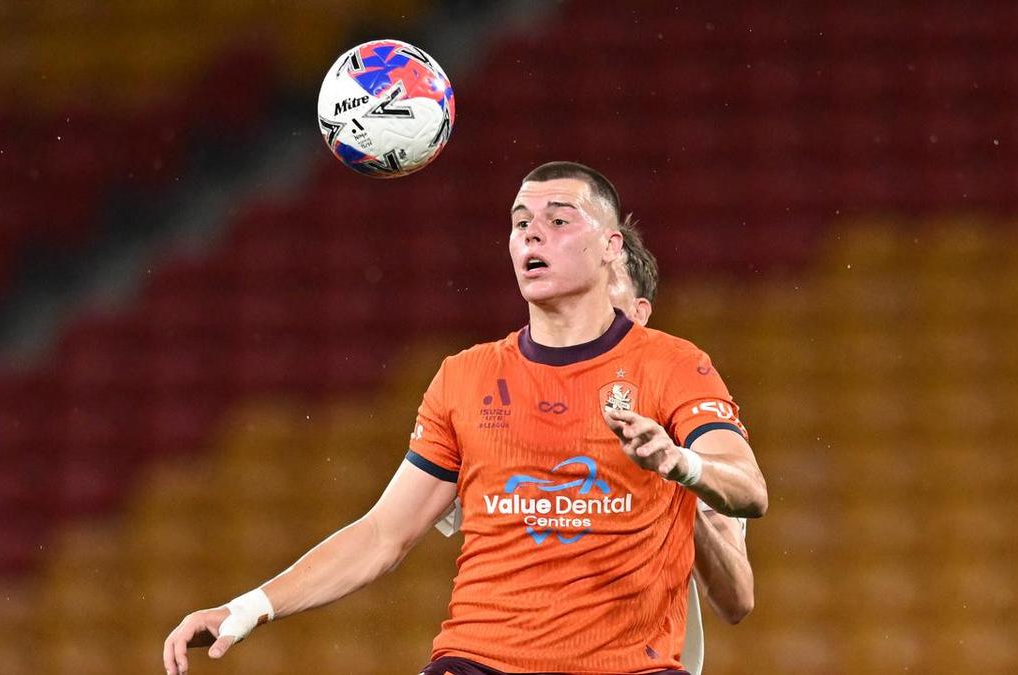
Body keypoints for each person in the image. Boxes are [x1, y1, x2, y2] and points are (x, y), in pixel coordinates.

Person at [163, 161, 768, 675]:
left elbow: (749, 491)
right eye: (521, 223)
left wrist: (680, 464)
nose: (533, 234)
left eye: (559, 221)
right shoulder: (466, 376)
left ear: (611, 248)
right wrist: (247, 608)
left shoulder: (674, 367)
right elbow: (382, 535)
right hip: (480, 661)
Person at [432, 221, 754, 674]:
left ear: (638, 315)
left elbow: (737, 600)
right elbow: (389, 534)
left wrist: (674, 484)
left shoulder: (691, 437)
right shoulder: (504, 415)